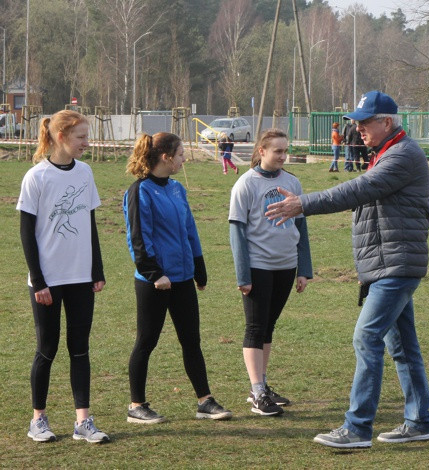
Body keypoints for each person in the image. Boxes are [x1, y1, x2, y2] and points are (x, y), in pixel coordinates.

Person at [266, 91, 429, 449]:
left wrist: (302, 204)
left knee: (366, 337)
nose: (357, 129)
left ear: (386, 121)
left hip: (397, 265)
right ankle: (419, 421)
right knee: (402, 345)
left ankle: (357, 428)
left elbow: (359, 190)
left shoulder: (402, 155)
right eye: (355, 123)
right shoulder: (386, 152)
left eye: (364, 122)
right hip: (387, 264)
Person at [123, 132, 232, 424]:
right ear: (166, 157)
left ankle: (205, 401)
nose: (184, 159)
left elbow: (189, 231)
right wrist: (154, 273)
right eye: (181, 154)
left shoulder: (177, 189)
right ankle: (136, 405)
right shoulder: (140, 191)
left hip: (182, 278)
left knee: (191, 341)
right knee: (146, 341)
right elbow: (138, 238)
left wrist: (199, 267)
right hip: (154, 282)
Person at [17, 110, 110, 443]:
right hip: (48, 280)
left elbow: (90, 224)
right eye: (81, 137)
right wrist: (39, 281)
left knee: (80, 348)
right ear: (60, 137)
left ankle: (83, 422)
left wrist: (96, 270)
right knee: (47, 349)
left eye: (87, 136)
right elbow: (27, 233)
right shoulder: (37, 177)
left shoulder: (85, 173)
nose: (87, 143)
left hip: (80, 277)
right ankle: (38, 420)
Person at [229, 129, 313, 416]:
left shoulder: (293, 182)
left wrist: (304, 269)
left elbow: (301, 228)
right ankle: (257, 392)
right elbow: (237, 233)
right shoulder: (245, 184)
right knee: (255, 327)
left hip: (286, 266)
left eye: (285, 150)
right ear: (261, 151)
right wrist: (243, 275)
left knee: (268, 326)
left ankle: (262, 384)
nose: (282, 155)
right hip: (258, 267)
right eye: (277, 150)